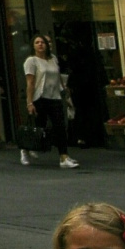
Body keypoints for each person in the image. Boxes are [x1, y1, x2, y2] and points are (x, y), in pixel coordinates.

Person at [21, 34, 77, 169]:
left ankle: (64, 157)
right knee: (39, 126)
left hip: (55, 96)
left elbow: (58, 76)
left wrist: (64, 90)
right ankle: (25, 149)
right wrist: (29, 102)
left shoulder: (53, 59)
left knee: (60, 127)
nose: (40, 44)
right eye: (37, 42)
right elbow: (30, 82)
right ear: (33, 46)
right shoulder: (31, 61)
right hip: (40, 97)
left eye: (43, 42)